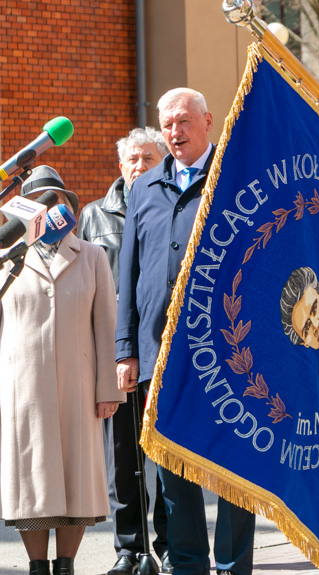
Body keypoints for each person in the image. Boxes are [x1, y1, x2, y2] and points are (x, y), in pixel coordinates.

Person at [115, 88, 255, 575]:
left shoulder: (235, 174)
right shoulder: (144, 188)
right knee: (173, 468)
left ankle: (234, 564)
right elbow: (127, 277)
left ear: (208, 121)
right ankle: (189, 565)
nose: (175, 132)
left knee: (235, 465)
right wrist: (125, 350)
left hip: (230, 349)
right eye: (167, 124)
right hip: (162, 351)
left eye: (184, 121)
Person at [0, 166, 124, 575]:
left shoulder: (93, 256)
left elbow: (107, 325)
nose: (48, 206)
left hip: (79, 385)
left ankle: (66, 564)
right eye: (38, 200)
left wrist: (109, 387)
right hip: (22, 387)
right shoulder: (5, 259)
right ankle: (37, 566)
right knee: (31, 479)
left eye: (55, 199)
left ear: (66, 207)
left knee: (76, 479)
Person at [77, 126, 170, 575]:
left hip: (161, 346)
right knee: (121, 456)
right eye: (131, 159)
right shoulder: (94, 216)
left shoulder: (171, 205)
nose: (138, 166)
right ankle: (129, 548)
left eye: (148, 159)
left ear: (163, 162)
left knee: (168, 450)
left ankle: (171, 543)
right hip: (114, 350)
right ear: (120, 166)